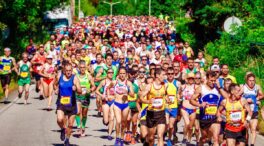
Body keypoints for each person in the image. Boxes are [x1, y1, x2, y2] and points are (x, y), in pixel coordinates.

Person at [139, 69, 170, 146]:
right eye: (163, 75)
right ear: (157, 76)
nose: (164, 76)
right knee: (151, 138)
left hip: (161, 113)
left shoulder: (165, 85)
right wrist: (148, 101)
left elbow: (165, 95)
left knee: (160, 136)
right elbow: (141, 97)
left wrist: (167, 99)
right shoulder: (150, 86)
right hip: (151, 114)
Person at [190, 71, 222, 146]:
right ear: (207, 79)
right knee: (205, 138)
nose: (213, 82)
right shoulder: (201, 88)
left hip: (214, 118)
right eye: (211, 80)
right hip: (204, 118)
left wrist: (219, 115)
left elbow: (221, 101)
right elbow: (191, 100)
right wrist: (200, 105)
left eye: (214, 80)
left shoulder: (217, 89)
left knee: (216, 138)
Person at [54, 63, 81, 146]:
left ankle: (67, 140)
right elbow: (54, 84)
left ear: (72, 70)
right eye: (67, 71)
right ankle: (62, 129)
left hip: (71, 104)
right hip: (61, 103)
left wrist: (76, 88)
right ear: (64, 71)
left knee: (70, 124)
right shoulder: (59, 76)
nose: (69, 72)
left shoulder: (75, 78)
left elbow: (80, 91)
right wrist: (56, 89)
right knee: (59, 119)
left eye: (70, 70)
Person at [110, 67, 134, 146]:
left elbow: (132, 94)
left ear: (126, 74)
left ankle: (121, 139)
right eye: (121, 73)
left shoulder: (128, 83)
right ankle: (117, 138)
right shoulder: (115, 82)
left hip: (125, 105)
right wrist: (108, 95)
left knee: (124, 123)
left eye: (124, 73)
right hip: (117, 104)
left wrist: (127, 91)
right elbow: (108, 88)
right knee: (118, 121)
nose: (122, 75)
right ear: (118, 74)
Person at [242, 73, 263, 146]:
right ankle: (246, 143)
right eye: (250, 80)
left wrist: (257, 99)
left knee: (253, 129)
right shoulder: (243, 87)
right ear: (247, 80)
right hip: (245, 111)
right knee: (246, 129)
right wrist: (245, 100)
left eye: (253, 80)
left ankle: (252, 144)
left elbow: (262, 95)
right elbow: (237, 96)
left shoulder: (257, 87)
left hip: (254, 110)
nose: (252, 82)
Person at [75, 60, 95, 137]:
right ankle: (78, 125)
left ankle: (83, 126)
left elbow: (93, 86)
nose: (82, 69)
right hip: (77, 96)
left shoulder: (88, 76)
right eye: (81, 67)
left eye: (84, 67)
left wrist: (90, 90)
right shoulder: (76, 76)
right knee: (77, 111)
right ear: (79, 68)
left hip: (86, 97)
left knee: (84, 114)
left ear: (86, 68)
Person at [96, 68, 116, 140]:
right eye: (109, 72)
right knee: (106, 121)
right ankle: (105, 120)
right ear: (107, 73)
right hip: (105, 101)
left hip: (113, 101)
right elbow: (97, 91)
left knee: (112, 117)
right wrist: (102, 96)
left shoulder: (115, 82)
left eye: (112, 72)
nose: (110, 74)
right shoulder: (103, 82)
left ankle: (109, 134)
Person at [165, 67, 181, 146]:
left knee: (171, 126)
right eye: (169, 74)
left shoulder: (177, 83)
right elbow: (162, 94)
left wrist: (178, 99)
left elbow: (178, 93)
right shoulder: (164, 83)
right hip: (166, 107)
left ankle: (169, 139)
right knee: (167, 124)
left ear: (174, 74)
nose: (170, 75)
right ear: (166, 74)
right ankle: (162, 137)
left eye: (172, 74)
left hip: (174, 107)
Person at [180, 73, 197, 144]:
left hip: (193, 109)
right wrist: (179, 98)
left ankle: (189, 140)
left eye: (192, 78)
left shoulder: (196, 87)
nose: (191, 80)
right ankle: (184, 136)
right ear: (187, 79)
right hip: (184, 108)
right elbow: (178, 94)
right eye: (189, 78)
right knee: (187, 123)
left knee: (190, 127)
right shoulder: (183, 86)